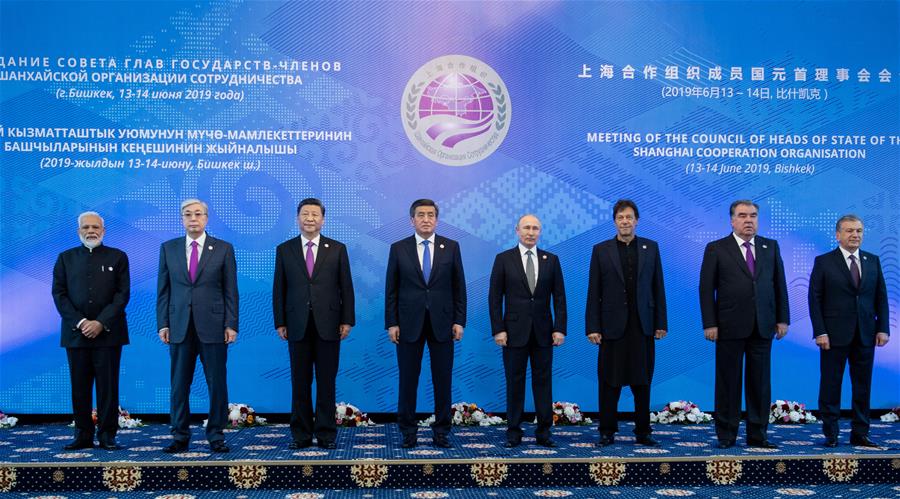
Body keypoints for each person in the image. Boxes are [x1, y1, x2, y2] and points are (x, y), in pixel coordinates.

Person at [699, 200, 789, 449]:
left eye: (753, 215)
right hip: (728, 326)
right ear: (732, 220)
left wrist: (782, 318)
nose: (748, 220)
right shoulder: (716, 248)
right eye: (742, 215)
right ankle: (726, 435)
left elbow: (779, 285)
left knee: (760, 383)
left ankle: (758, 435)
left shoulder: (770, 247)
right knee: (728, 382)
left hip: (763, 325)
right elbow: (706, 290)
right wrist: (710, 323)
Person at [157, 199, 238, 453]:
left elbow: (230, 291)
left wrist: (231, 324)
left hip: (214, 326)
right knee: (179, 384)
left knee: (217, 383)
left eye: (198, 214)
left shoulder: (223, 248)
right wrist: (163, 323)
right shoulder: (168, 248)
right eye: (188, 214)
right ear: (182, 219)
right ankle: (179, 435)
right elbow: (163, 291)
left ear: (206, 218)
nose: (193, 218)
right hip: (179, 325)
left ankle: (216, 435)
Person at [273, 198, 355, 450]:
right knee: (300, 382)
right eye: (305, 214)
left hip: (329, 324)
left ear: (323, 219)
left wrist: (347, 319)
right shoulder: (285, 249)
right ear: (297, 218)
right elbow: (279, 289)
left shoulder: (337, 249)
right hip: (296, 324)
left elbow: (346, 288)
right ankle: (301, 435)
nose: (310, 218)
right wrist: (280, 321)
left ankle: (326, 434)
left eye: (315, 214)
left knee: (326, 381)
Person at [385, 199, 466, 448]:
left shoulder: (451, 247)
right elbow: (392, 289)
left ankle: (442, 431)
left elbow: (458, 288)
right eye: (421, 215)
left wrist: (459, 321)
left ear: (437, 219)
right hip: (408, 324)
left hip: (443, 324)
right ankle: (408, 432)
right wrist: (392, 323)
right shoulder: (399, 248)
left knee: (443, 380)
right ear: (412, 220)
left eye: (431, 215)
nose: (426, 219)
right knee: (408, 380)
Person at [586, 200, 667, 447]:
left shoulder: (651, 248)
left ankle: (643, 431)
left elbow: (658, 287)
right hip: (611, 327)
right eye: (620, 217)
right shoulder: (601, 250)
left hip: (643, 326)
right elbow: (594, 291)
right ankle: (607, 431)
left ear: (636, 221)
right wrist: (592, 326)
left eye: (629, 217)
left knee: (642, 381)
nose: (625, 221)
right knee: (609, 381)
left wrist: (661, 322)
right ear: (614, 221)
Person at [809, 214, 890, 448]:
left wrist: (882, 328)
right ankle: (831, 433)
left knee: (863, 385)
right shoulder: (824, 261)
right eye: (849, 231)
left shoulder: (872, 260)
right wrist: (820, 331)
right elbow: (815, 299)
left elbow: (881, 297)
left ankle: (860, 433)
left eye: (859, 231)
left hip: (865, 333)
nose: (855, 235)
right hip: (833, 335)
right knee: (831, 384)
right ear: (838, 235)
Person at [52, 212, 130, 451]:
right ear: (78, 232)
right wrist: (81, 322)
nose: (91, 231)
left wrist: (100, 322)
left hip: (108, 333)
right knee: (79, 386)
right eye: (86, 227)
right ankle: (82, 434)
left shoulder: (118, 257)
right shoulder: (65, 258)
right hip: (76, 334)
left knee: (108, 386)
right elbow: (59, 294)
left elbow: (122, 295)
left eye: (95, 227)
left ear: (104, 231)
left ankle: (108, 434)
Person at [488, 214, 566, 448]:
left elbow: (560, 297)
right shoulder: (503, 259)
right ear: (517, 230)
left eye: (535, 228)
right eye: (526, 228)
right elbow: (494, 298)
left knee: (543, 382)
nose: (531, 232)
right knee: (514, 383)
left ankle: (544, 433)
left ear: (540, 232)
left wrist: (559, 328)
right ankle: (513, 432)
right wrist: (498, 329)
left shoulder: (551, 260)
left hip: (544, 333)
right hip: (512, 333)